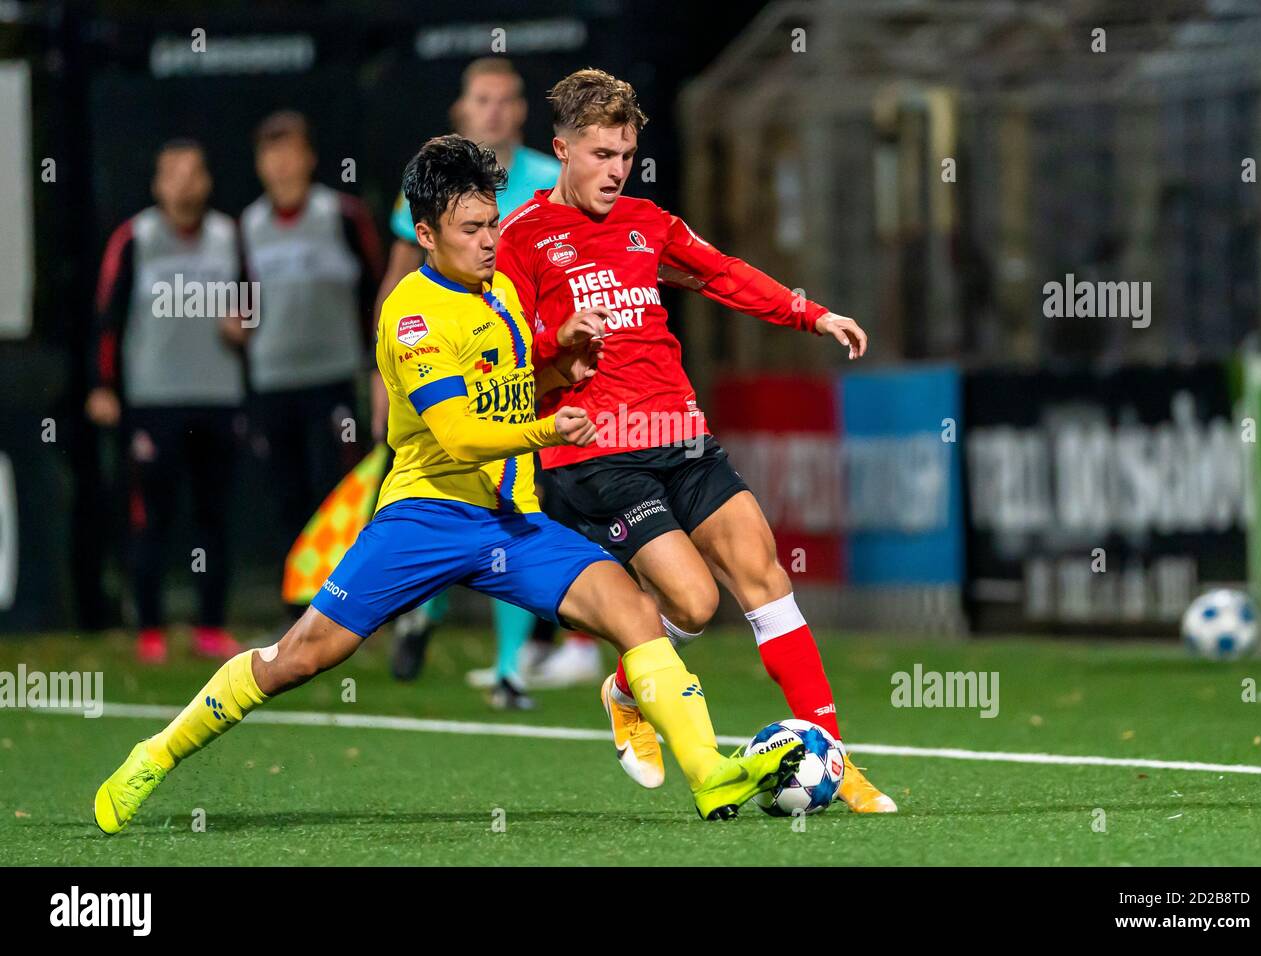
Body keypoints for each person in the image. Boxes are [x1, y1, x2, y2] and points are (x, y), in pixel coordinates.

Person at [94, 136, 804, 830]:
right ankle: (153, 755)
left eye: (493, 223)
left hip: (507, 521)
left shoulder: (499, 291)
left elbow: (514, 384)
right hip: (424, 517)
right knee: (300, 657)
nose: (491, 240)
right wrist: (549, 430)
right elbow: (461, 434)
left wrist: (561, 366)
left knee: (634, 613)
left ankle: (709, 771)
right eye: (472, 228)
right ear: (426, 234)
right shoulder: (411, 316)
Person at [496, 69, 897, 812]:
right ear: (560, 151)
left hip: (679, 432)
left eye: (625, 154)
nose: (616, 170)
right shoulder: (521, 239)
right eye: (600, 155)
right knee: (691, 601)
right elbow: (509, 357)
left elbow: (722, 276)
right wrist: (557, 343)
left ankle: (835, 759)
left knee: (764, 572)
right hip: (597, 451)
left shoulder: (648, 223)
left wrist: (811, 314)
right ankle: (628, 688)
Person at [373, 57, 599, 703]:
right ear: (462, 110)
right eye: (482, 99)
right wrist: (381, 368)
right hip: (448, 362)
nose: (494, 110)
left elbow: (574, 262)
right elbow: (399, 278)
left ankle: (507, 667)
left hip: (526, 357)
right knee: (460, 491)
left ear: (522, 109)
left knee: (512, 500)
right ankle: (426, 608)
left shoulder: (546, 179)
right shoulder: (430, 183)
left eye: (505, 99)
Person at [87, 139, 246, 664]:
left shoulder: (229, 235)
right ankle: (150, 627)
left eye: (193, 172)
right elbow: (107, 318)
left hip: (218, 400)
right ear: (158, 184)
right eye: (172, 173)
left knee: (214, 517)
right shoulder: (136, 237)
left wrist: (244, 326)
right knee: (150, 518)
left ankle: (210, 626)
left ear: (207, 182)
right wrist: (103, 387)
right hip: (153, 405)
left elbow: (250, 306)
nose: (183, 183)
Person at [239, 110, 384, 572]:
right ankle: (297, 611)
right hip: (272, 382)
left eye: (289, 151)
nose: (280, 163)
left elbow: (379, 289)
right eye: (270, 153)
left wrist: (378, 365)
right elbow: (240, 294)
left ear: (309, 158)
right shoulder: (247, 226)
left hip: (335, 380)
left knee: (341, 493)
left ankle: (351, 601)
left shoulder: (342, 215)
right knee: (287, 495)